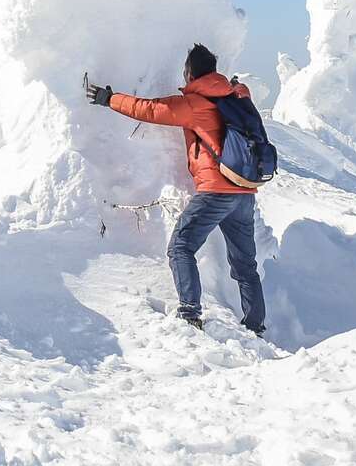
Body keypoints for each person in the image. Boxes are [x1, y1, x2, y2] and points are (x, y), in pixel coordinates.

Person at [86, 43, 265, 335]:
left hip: (215, 192)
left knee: (181, 246)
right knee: (245, 264)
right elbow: (243, 90)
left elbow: (152, 109)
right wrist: (238, 86)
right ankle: (255, 325)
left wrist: (110, 99)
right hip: (244, 194)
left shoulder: (196, 103)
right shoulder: (235, 96)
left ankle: (190, 314)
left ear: (190, 72)